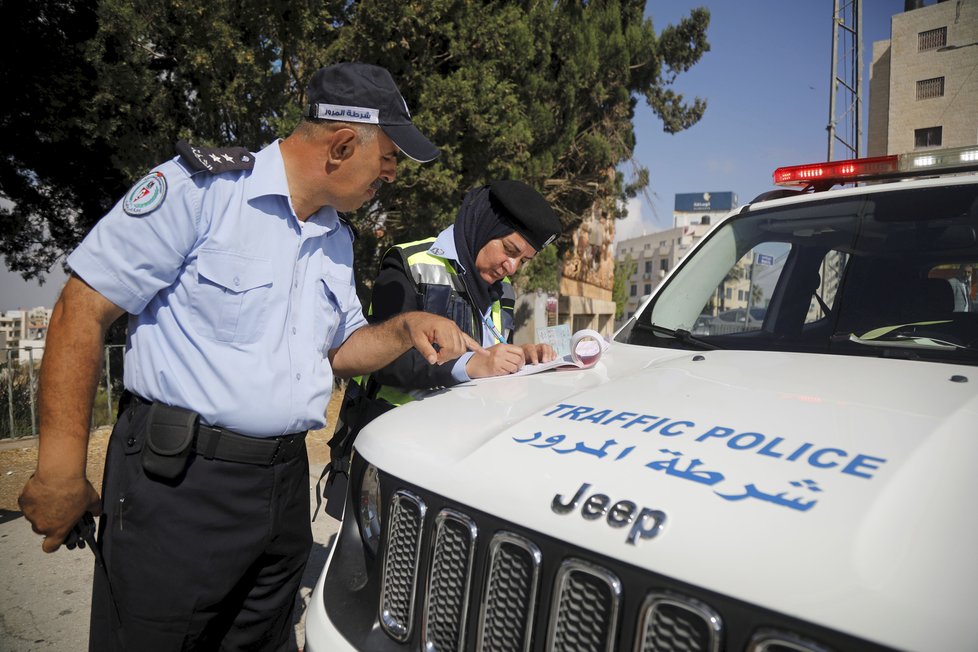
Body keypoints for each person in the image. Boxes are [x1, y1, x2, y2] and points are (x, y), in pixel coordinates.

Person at [17, 62, 482, 651]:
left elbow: (339, 350)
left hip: (281, 488)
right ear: (342, 144)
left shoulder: (336, 237)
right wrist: (59, 470)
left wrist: (406, 327)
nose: (391, 174)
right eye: (389, 156)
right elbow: (81, 310)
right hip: (181, 486)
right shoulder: (200, 191)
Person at [323, 180, 562, 517]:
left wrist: (520, 356)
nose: (511, 267)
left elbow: (490, 352)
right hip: (393, 450)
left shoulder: (504, 291)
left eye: (523, 261)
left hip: (459, 455)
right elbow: (379, 361)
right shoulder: (408, 262)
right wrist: (467, 366)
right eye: (510, 249)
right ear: (483, 225)